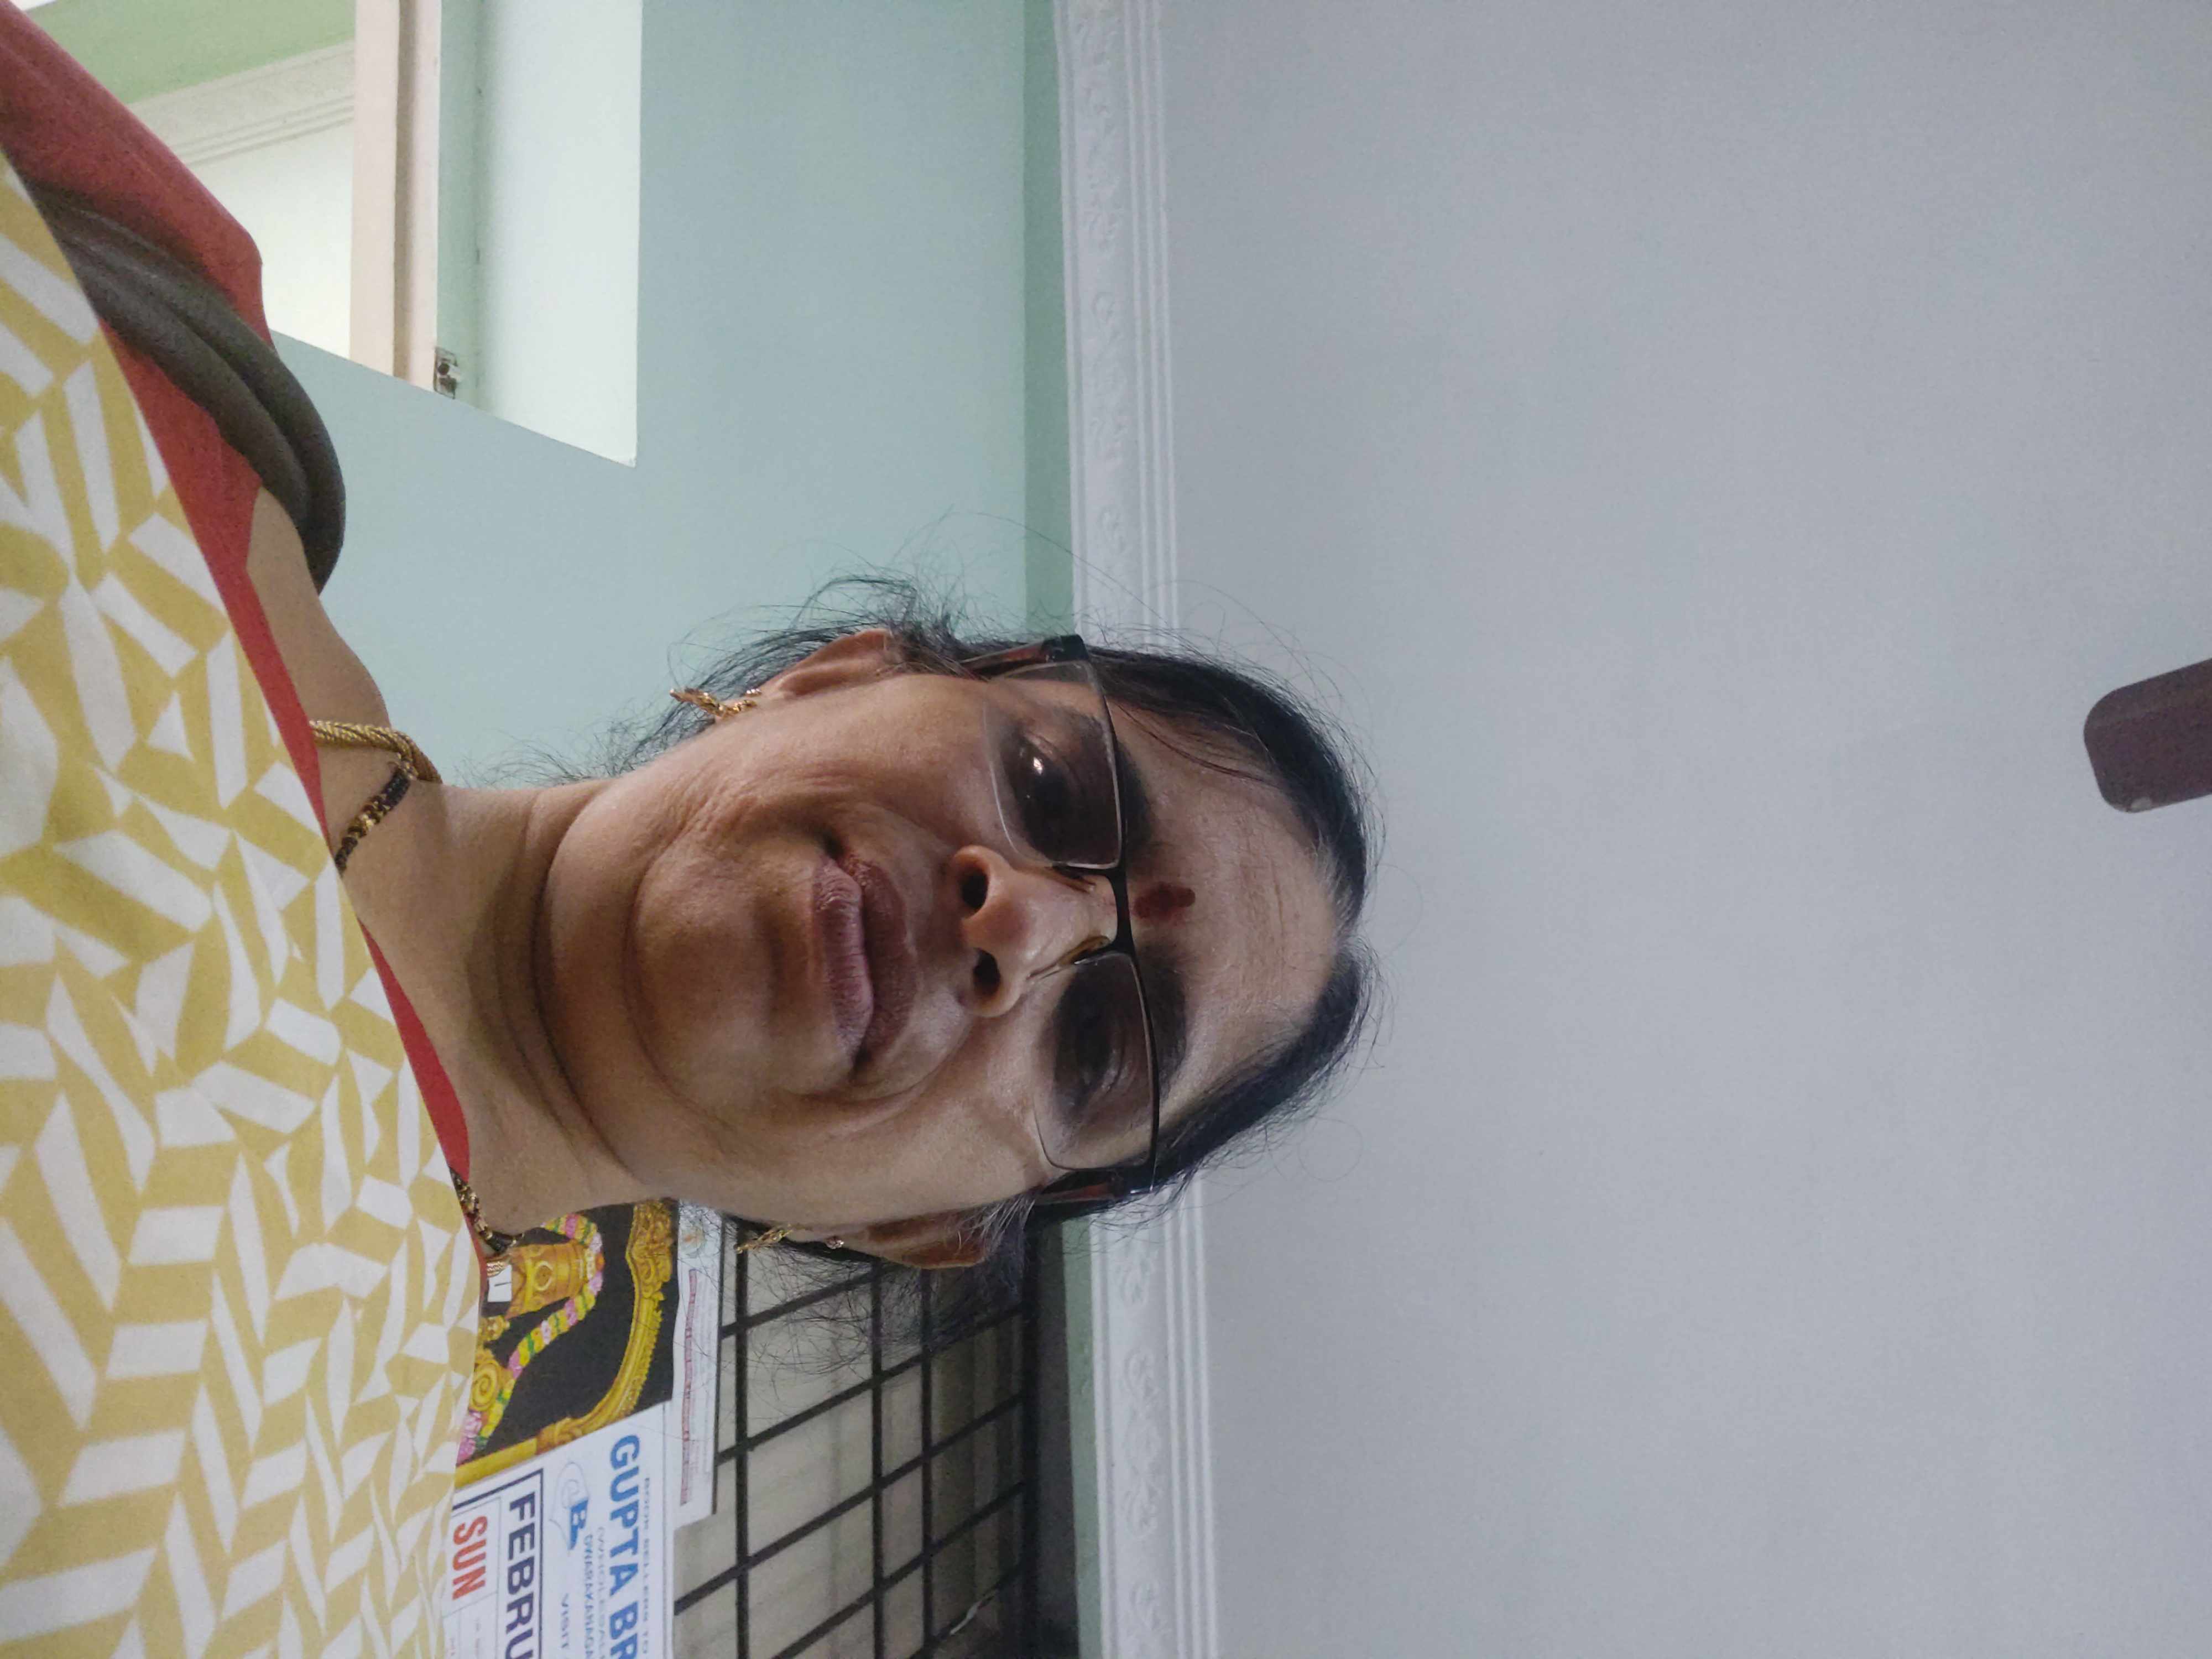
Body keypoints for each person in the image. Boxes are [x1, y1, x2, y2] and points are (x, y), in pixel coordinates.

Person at [0, 10, 1376, 1652]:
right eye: (1053, 793)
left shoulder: (302, 1569)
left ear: (912, 1230)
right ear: (842, 672)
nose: (1021, 925)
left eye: (1100, 1044)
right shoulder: (159, 314)